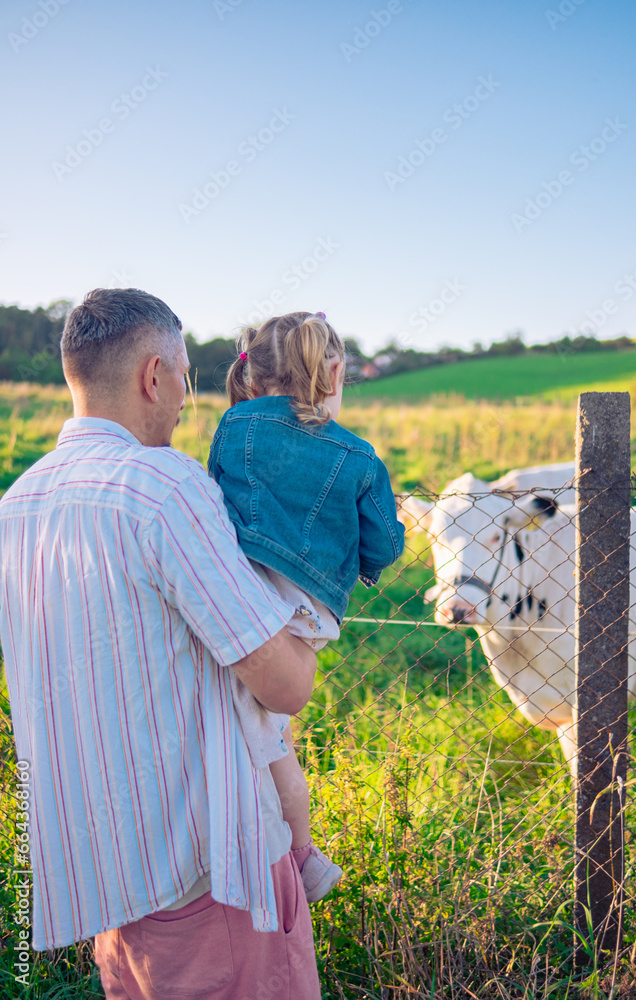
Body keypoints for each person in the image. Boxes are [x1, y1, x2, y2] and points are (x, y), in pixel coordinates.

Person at [0, 288, 322, 999]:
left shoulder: (14, 505)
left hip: (105, 877)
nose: (186, 399)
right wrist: (313, 601)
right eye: (184, 378)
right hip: (211, 873)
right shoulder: (163, 487)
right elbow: (284, 685)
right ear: (153, 375)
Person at [208, 310, 405, 903]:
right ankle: (297, 855)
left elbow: (216, 504)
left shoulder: (232, 429)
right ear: (336, 370)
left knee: (259, 734)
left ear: (253, 375)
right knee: (271, 735)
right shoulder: (360, 456)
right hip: (306, 614)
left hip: (239, 595)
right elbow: (385, 544)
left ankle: (274, 851)